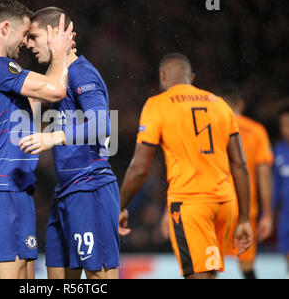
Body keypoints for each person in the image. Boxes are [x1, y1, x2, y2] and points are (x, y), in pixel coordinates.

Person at [0, 0, 74, 279]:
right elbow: (55, 91)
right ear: (4, 28)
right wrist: (60, 53)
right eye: (24, 34)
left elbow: (37, 107)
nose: (26, 42)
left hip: (18, 187)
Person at [118, 53, 253, 279]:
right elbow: (240, 164)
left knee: (198, 275)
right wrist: (244, 219)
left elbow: (139, 167)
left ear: (162, 76)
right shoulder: (219, 104)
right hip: (225, 204)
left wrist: (120, 206)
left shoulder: (157, 105)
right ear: (191, 77)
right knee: (208, 274)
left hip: (191, 204)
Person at [18, 7, 120, 279]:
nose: (28, 44)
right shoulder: (55, 81)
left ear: (54, 34)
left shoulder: (82, 74)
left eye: (34, 36)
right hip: (64, 193)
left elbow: (102, 125)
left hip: (91, 188)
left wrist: (53, 137)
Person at [219, 86, 274, 279]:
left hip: (216, 207)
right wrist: (267, 214)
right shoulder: (257, 130)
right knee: (247, 266)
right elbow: (264, 175)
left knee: (210, 266)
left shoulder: (209, 130)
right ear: (241, 104)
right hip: (246, 210)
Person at [273, 105, 289, 279]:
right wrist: (269, 214)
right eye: (283, 125)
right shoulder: (278, 151)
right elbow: (274, 186)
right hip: (286, 215)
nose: (285, 129)